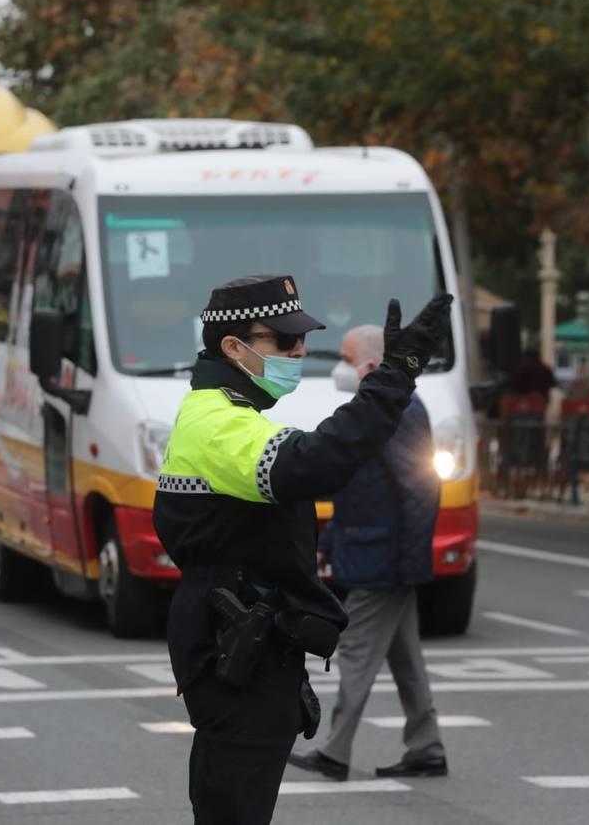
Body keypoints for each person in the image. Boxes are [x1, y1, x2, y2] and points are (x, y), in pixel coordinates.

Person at [153, 274, 453, 825]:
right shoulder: (218, 422)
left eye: (301, 341)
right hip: (237, 653)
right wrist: (395, 377)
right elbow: (316, 462)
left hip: (238, 646)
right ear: (232, 347)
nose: (298, 352)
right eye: (284, 342)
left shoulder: (222, 412)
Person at [289, 324, 447, 782]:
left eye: (345, 357)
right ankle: (427, 746)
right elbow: (358, 486)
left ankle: (335, 752)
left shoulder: (399, 411)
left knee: (356, 651)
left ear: (372, 365)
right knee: (404, 657)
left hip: (385, 560)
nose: (338, 367)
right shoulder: (373, 409)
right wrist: (330, 544)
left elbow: (419, 489)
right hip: (376, 553)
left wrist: (410, 564)